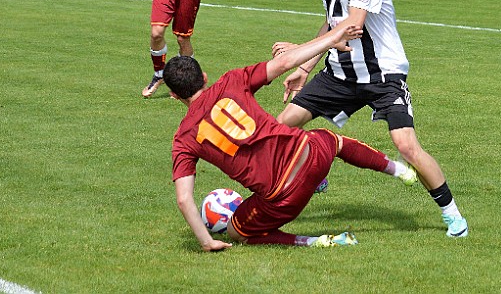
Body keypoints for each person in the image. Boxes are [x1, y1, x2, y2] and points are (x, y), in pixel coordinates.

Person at [274, 0, 468, 238]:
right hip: (341, 72)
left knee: (406, 146)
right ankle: (314, 169)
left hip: (383, 74)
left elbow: (353, 26)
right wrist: (305, 66)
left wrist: (298, 50)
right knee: (279, 129)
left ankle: (452, 215)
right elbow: (333, 23)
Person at [165, 24, 419, 251]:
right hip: (310, 156)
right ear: (205, 77)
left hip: (284, 198)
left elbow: (184, 198)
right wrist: (330, 41)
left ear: (174, 95)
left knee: (238, 233)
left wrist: (206, 242)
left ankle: (314, 241)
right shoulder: (232, 80)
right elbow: (285, 63)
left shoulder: (184, 138)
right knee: (332, 140)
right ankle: (398, 169)